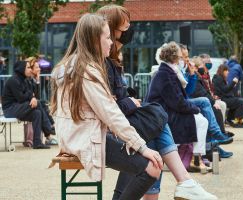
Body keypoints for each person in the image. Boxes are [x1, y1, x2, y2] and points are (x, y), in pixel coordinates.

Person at [97, 5, 217, 200]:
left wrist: (127, 101)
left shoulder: (111, 61)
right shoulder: (102, 63)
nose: (130, 30)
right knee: (154, 121)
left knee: (153, 125)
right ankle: (183, 182)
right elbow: (108, 105)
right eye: (125, 26)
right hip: (106, 129)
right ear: (110, 29)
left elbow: (117, 98)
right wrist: (130, 103)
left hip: (120, 123)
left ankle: (178, 184)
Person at [51, 13, 163, 200]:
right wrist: (143, 148)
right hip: (84, 138)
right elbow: (111, 114)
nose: (112, 42)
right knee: (152, 167)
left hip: (75, 135)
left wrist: (137, 144)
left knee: (136, 146)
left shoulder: (75, 64)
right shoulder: (87, 70)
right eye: (108, 37)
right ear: (96, 39)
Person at [145, 41, 217, 200]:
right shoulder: (166, 74)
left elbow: (183, 95)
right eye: (181, 55)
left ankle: (188, 177)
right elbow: (177, 101)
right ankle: (190, 173)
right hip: (163, 116)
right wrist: (194, 109)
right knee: (199, 118)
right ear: (176, 57)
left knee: (155, 160)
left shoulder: (170, 72)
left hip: (161, 116)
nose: (184, 58)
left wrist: (192, 76)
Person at [2, 60, 54, 149]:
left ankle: (37, 142)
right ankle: (49, 128)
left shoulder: (25, 80)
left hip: (20, 108)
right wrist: (32, 97)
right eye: (28, 67)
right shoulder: (13, 80)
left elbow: (32, 95)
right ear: (21, 69)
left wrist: (32, 97)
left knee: (37, 113)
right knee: (38, 103)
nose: (30, 70)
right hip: (10, 109)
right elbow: (21, 98)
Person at [25, 56, 57, 145]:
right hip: (26, 106)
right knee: (41, 104)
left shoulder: (32, 79)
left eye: (39, 67)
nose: (39, 69)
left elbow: (37, 96)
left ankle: (50, 130)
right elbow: (32, 96)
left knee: (42, 103)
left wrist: (38, 80)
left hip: (34, 104)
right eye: (37, 67)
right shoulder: (27, 80)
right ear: (31, 69)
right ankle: (50, 128)